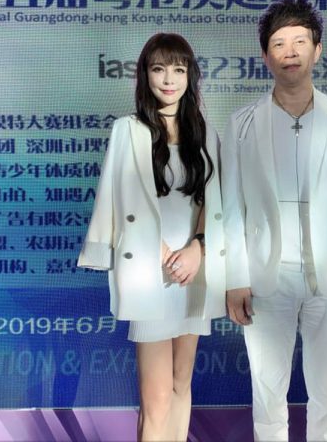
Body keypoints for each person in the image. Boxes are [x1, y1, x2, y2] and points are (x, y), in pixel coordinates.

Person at [222, 0, 327, 442]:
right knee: (267, 391)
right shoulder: (242, 123)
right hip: (266, 277)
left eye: (299, 42)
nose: (289, 52)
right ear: (265, 56)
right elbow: (231, 208)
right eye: (278, 43)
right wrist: (235, 278)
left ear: (317, 50)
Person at [78, 33, 226, 441]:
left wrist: (197, 249)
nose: (168, 79)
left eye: (178, 69)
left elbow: (213, 202)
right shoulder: (127, 130)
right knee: (156, 398)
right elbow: (114, 198)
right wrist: (159, 252)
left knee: (181, 384)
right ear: (145, 74)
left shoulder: (205, 134)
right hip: (149, 269)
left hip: (193, 271)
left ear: (190, 76)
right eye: (159, 69)